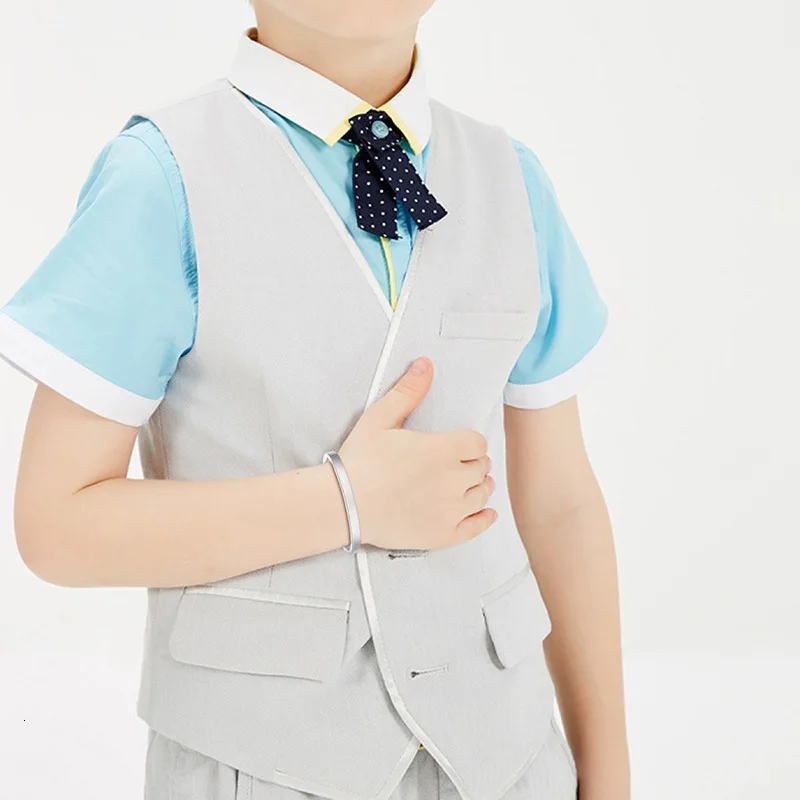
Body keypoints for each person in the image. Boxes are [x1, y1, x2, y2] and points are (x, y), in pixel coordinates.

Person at [0, 1, 630, 798]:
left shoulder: (512, 180)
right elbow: (57, 527)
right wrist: (346, 502)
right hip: (257, 763)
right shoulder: (163, 176)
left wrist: (609, 774)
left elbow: (560, 502)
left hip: (509, 758)